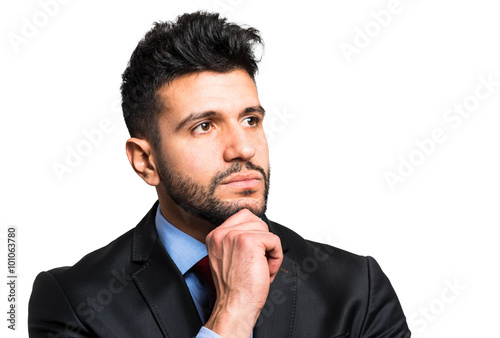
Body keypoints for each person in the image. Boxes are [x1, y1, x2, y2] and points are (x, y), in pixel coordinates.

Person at [28, 11, 411, 337]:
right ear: (146, 161)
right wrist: (232, 314)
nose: (243, 149)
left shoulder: (356, 288)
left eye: (250, 119)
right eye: (204, 126)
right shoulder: (74, 301)